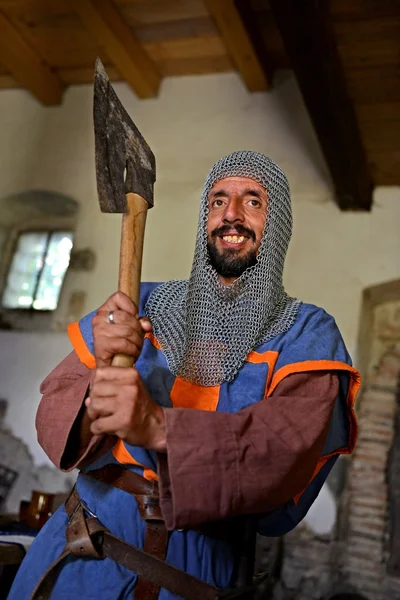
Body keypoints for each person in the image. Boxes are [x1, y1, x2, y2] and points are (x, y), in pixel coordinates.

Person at [9, 151, 360, 600]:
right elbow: (53, 420)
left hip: (195, 571)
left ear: (278, 224)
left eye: (252, 201)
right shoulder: (139, 303)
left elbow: (283, 451)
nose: (230, 214)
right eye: (217, 201)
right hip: (85, 549)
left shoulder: (307, 334)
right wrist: (99, 367)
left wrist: (156, 426)